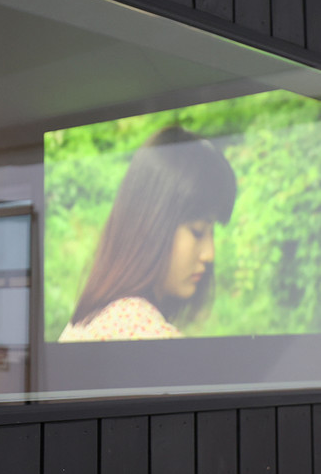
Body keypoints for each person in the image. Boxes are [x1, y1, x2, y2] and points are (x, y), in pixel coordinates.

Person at [59, 125, 236, 342]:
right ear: (154, 223)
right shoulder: (147, 332)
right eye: (198, 232)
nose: (209, 254)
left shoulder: (91, 318)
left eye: (212, 233)